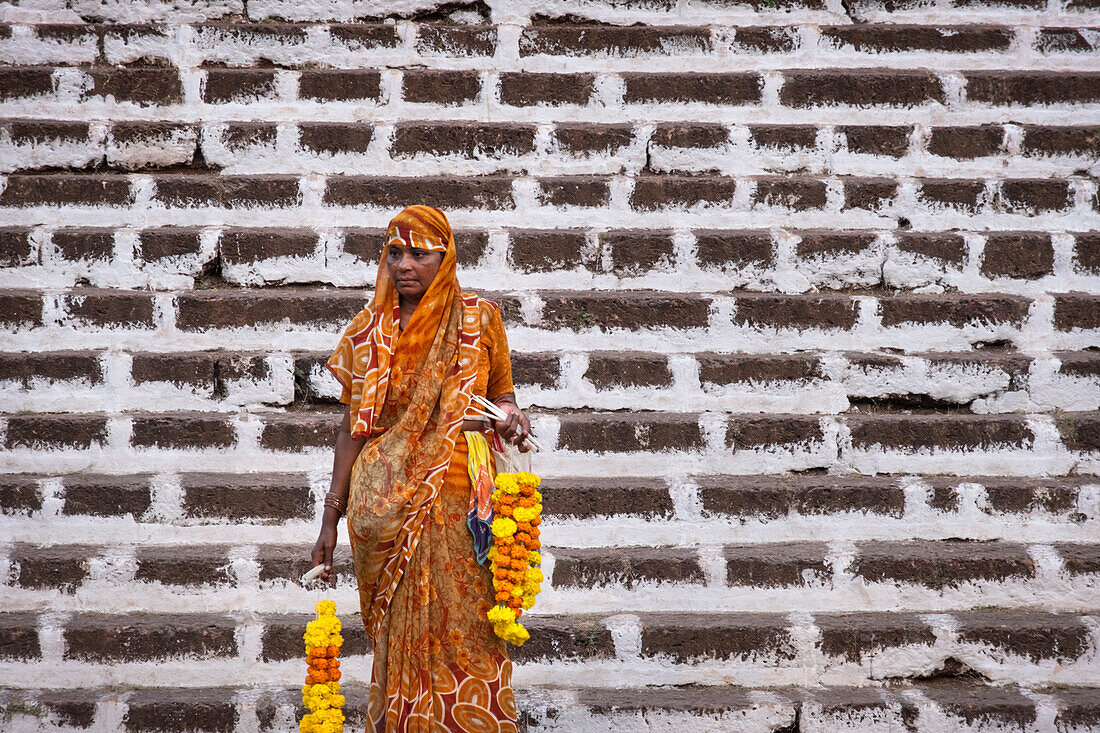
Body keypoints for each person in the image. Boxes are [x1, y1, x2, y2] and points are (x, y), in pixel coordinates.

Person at [311, 205, 532, 733]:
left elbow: (504, 395)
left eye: (419, 253)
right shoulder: (366, 331)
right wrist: (330, 519)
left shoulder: (480, 318)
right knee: (398, 633)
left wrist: (510, 417)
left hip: (462, 504)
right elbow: (351, 428)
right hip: (383, 508)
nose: (404, 264)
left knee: (471, 622)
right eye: (394, 253)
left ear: (445, 256)